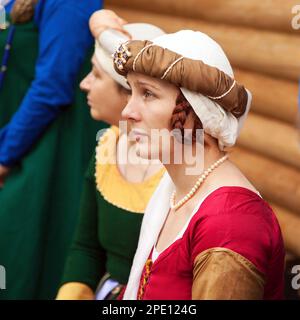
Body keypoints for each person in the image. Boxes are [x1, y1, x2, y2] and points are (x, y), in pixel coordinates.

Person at [112, 30, 285, 300]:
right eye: (130, 91)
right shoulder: (175, 192)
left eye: (148, 94)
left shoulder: (231, 223)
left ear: (197, 110)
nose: (127, 112)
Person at [56, 11, 165, 300]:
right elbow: (86, 248)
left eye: (96, 74)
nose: (84, 84)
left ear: (130, 92)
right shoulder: (107, 145)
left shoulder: (178, 170)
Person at [0, 0, 103, 299]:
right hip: (18, 132)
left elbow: (52, 86)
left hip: (46, 145)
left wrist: (6, 155)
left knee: (23, 248)